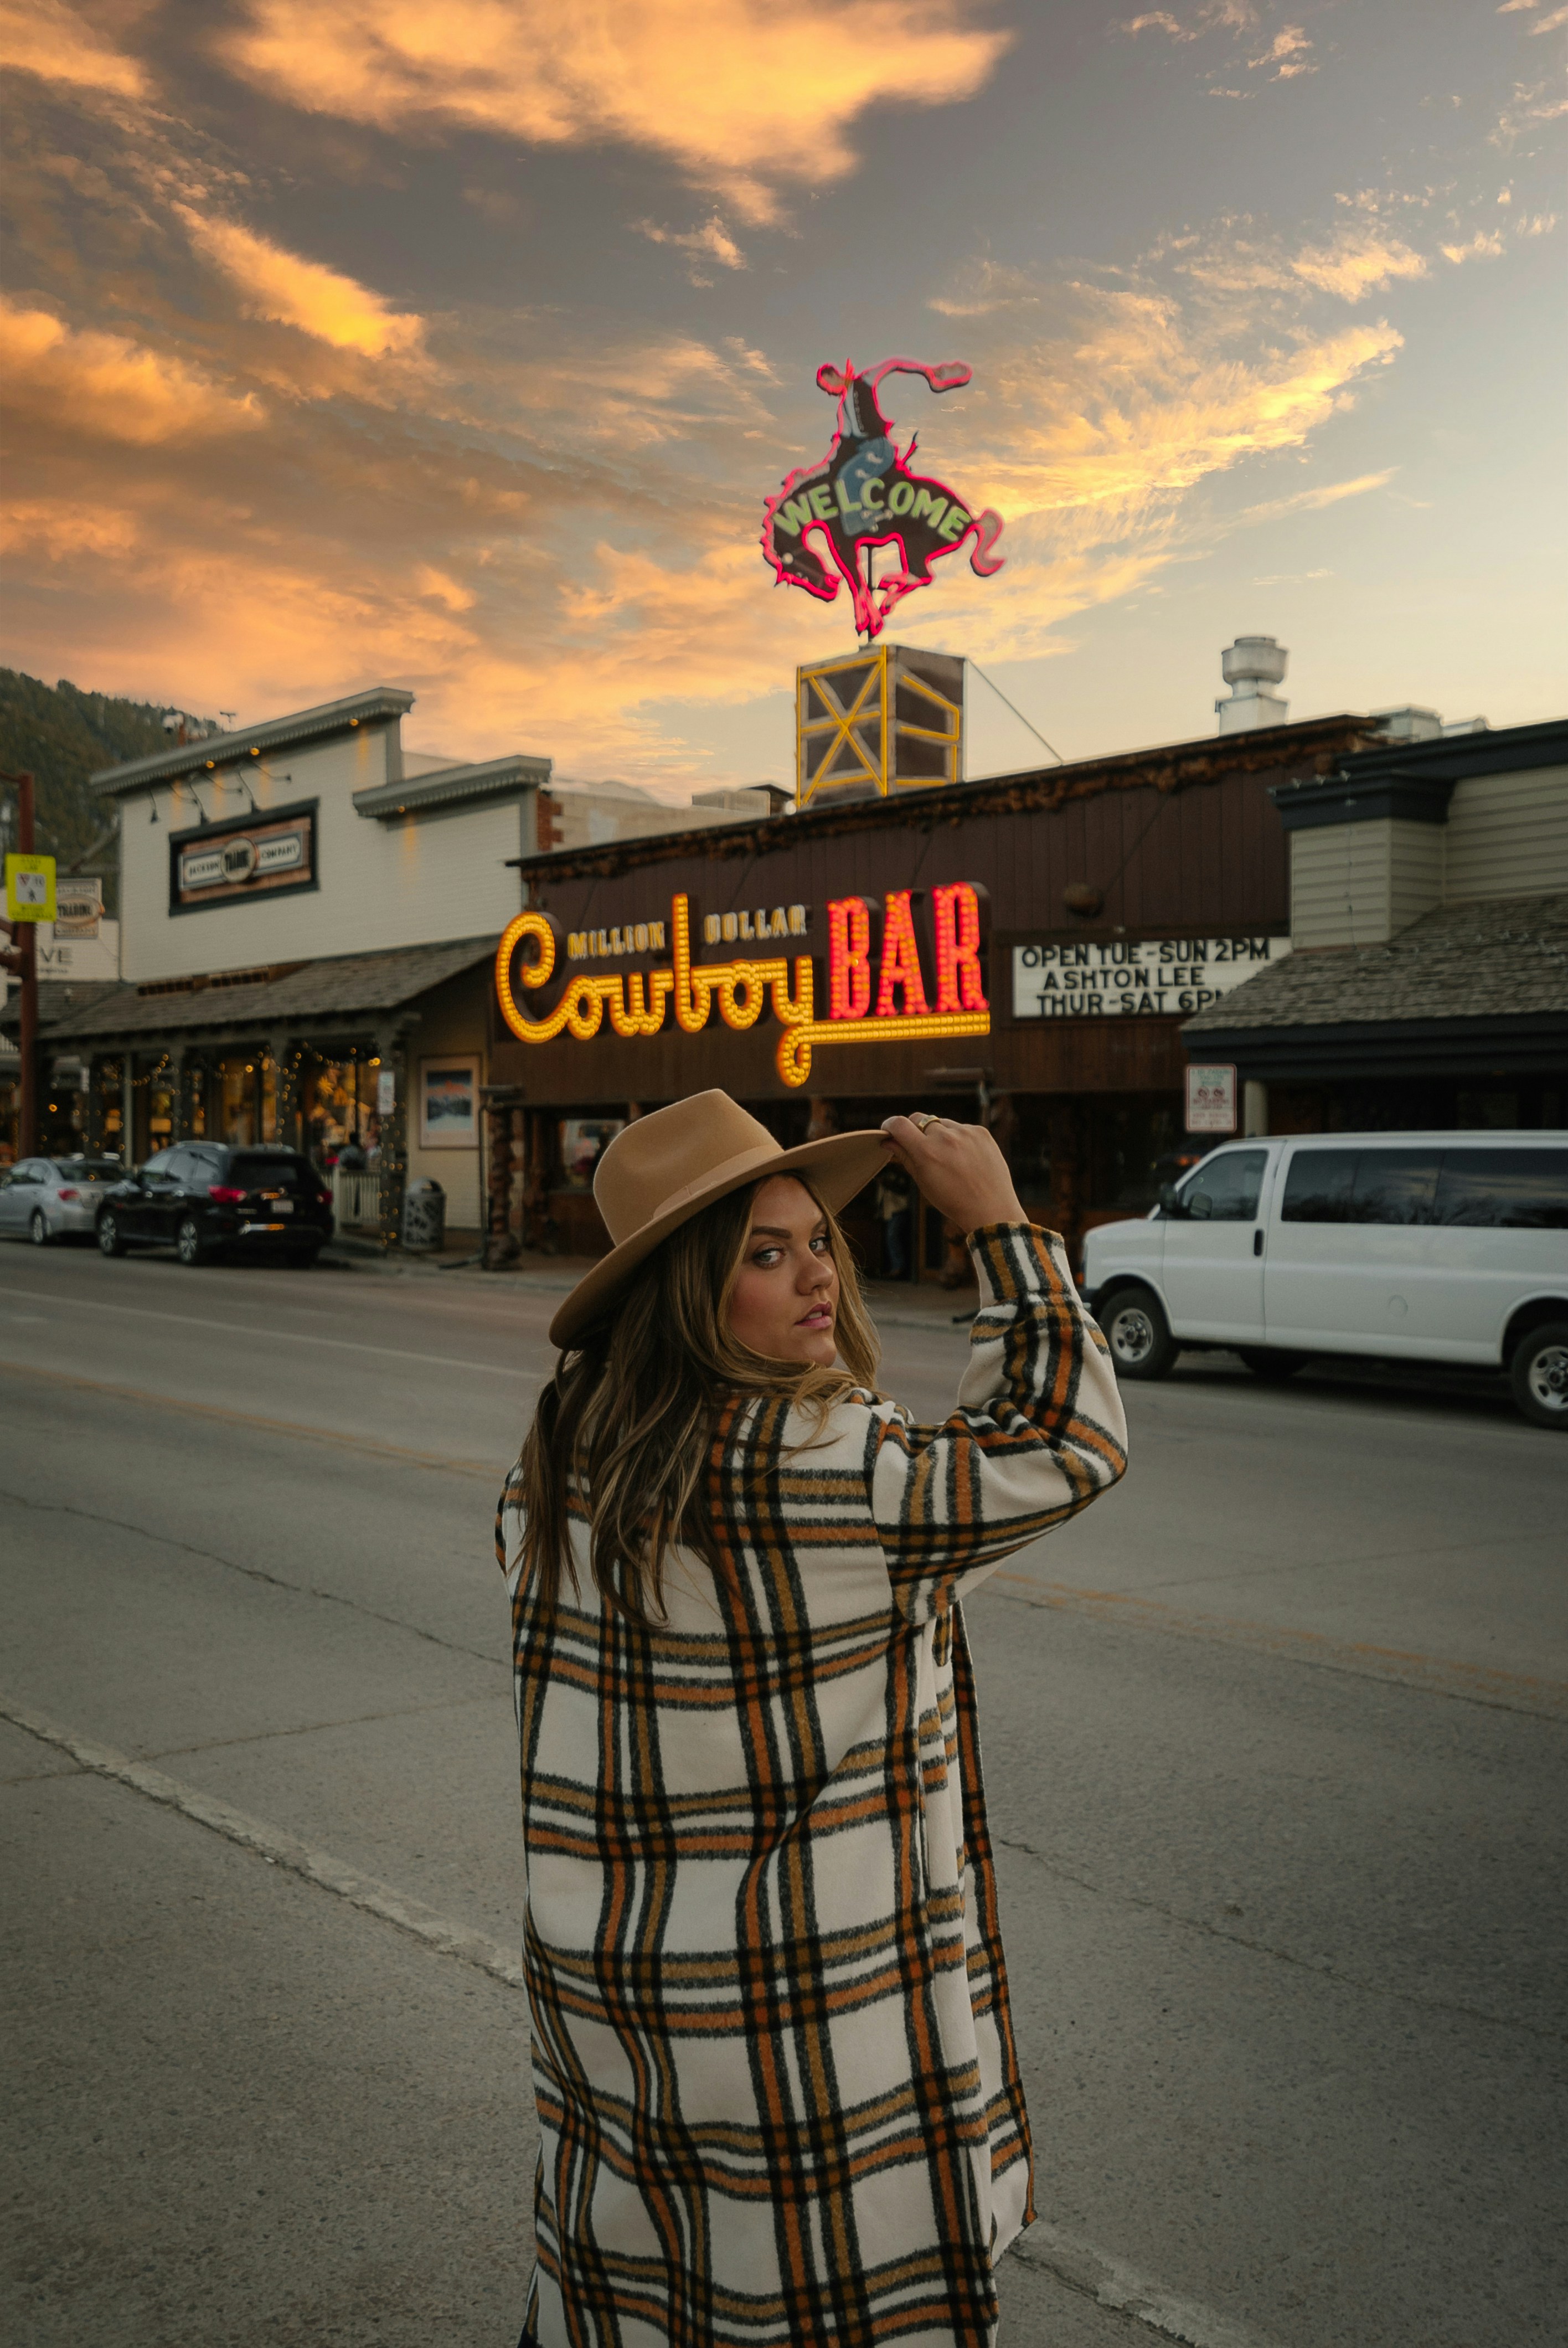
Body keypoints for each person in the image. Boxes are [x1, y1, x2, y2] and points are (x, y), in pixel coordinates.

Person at [496, 1090, 1128, 2347]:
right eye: (763, 1253)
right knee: (820, 2294)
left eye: (816, 1239)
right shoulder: (827, 1467)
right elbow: (1065, 1437)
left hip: (616, 1988)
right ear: (685, 1289)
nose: (813, 1275)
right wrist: (1000, 1220)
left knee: (633, 2275)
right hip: (797, 2014)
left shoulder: (565, 1455)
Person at [873, 1155, 914, 1279]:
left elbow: (903, 1190)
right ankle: (892, 1267)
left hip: (899, 1210)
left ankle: (899, 1267)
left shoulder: (901, 1175)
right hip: (888, 1211)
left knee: (893, 1236)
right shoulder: (884, 1175)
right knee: (888, 1239)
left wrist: (887, 1183)